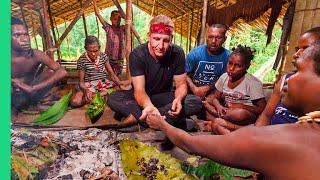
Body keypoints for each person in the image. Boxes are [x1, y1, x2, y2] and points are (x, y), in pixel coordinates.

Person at [146, 43, 320, 179]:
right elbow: (214, 98)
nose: (287, 80)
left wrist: (161, 123)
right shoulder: (305, 132)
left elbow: (190, 144)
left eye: (298, 70)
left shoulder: (281, 141)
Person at [107, 15, 202, 128]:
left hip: (163, 97)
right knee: (113, 98)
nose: (161, 46)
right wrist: (148, 106)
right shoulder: (137, 55)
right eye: (156, 39)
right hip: (142, 99)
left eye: (166, 40)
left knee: (195, 101)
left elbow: (181, 85)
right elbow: (139, 90)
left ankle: (143, 120)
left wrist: (178, 99)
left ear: (171, 38)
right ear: (149, 36)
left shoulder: (178, 53)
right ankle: (170, 121)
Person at [255, 26, 320, 126]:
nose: (296, 54)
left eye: (306, 48)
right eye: (297, 49)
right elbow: (266, 115)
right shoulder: (285, 80)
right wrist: (257, 133)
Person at [203, 45, 266, 134]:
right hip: (226, 111)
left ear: (247, 66)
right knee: (206, 103)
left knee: (240, 114)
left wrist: (241, 106)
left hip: (243, 116)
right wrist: (218, 106)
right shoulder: (224, 77)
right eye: (230, 63)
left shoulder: (252, 83)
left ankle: (219, 123)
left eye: (238, 66)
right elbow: (215, 98)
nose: (231, 68)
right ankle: (230, 126)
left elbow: (262, 108)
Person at [11, 17, 67, 111]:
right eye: (17, 35)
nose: (24, 39)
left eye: (25, 34)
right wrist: (17, 84)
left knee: (49, 72)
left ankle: (34, 101)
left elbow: (62, 72)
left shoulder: (36, 54)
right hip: (11, 94)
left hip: (31, 92)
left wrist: (32, 87)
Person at [70, 36, 124, 107]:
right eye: (90, 51)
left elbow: (112, 74)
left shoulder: (103, 56)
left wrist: (119, 83)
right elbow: (81, 82)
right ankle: (100, 95)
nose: (93, 54)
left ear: (99, 47)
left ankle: (98, 96)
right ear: (85, 48)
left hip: (102, 84)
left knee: (120, 89)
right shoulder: (82, 60)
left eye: (95, 51)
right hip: (88, 85)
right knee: (75, 102)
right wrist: (86, 90)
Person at [186, 24, 230, 99]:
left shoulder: (228, 57)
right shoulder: (195, 53)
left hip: (216, 90)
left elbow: (226, 78)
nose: (213, 41)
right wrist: (194, 89)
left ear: (224, 39)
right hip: (194, 88)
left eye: (218, 38)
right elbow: (183, 74)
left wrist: (208, 88)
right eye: (210, 37)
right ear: (206, 37)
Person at [92, 0, 125, 76]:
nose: (117, 21)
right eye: (115, 19)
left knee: (117, 74)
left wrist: (123, 16)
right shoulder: (108, 28)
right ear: (110, 18)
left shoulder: (123, 28)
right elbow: (98, 14)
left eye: (119, 19)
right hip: (109, 57)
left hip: (120, 58)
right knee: (109, 74)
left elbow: (130, 22)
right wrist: (94, 3)